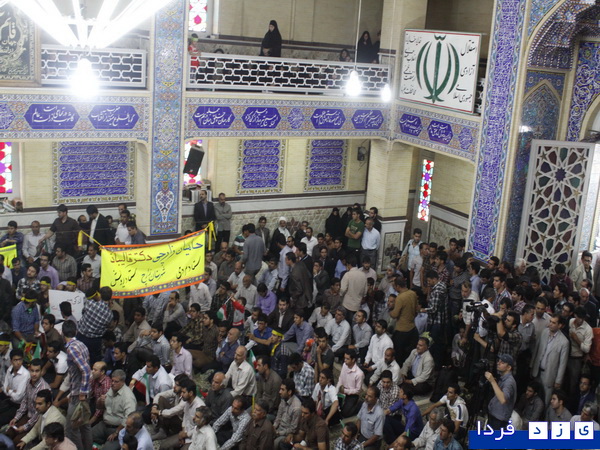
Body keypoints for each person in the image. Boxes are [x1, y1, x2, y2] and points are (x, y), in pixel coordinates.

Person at [62, 320, 92, 450]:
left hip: (79, 393)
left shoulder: (71, 348)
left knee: (71, 428)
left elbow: (86, 370)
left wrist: (82, 393)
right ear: (76, 331)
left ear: (63, 333)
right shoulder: (81, 344)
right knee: (84, 425)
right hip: (85, 390)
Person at [91, 369, 137, 450]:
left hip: (118, 429)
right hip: (104, 424)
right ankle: (104, 441)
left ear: (123, 382)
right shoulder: (112, 389)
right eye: (112, 381)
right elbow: (99, 407)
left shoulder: (128, 397)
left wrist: (116, 432)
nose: (112, 383)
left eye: (116, 382)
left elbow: (128, 419)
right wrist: (100, 401)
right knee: (86, 437)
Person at [531, 314, 570, 405]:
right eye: (550, 321)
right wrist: (531, 366)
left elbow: (562, 364)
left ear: (560, 325)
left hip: (549, 375)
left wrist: (558, 381)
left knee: (546, 401)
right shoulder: (544, 332)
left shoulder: (564, 342)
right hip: (537, 371)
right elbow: (537, 349)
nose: (550, 324)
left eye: (553, 323)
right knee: (533, 397)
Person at [158, 378, 205, 450]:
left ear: (190, 393)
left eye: (183, 392)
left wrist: (186, 434)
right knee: (164, 446)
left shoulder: (200, 406)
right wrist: (182, 433)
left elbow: (200, 428)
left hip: (195, 438)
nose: (181, 395)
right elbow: (185, 419)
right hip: (185, 433)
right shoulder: (187, 402)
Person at [485, 353, 517, 429]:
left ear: (508, 367)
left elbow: (503, 399)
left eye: (502, 362)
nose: (498, 363)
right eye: (499, 361)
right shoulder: (503, 378)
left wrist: (493, 381)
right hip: (494, 415)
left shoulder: (509, 382)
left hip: (499, 420)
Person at [274, 379, 302, 448]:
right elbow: (278, 417)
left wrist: (278, 433)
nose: (279, 392)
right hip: (279, 429)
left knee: (274, 443)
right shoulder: (283, 399)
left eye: (282, 390)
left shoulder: (296, 408)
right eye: (280, 389)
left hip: (287, 434)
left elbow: (293, 429)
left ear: (289, 392)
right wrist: (273, 427)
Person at [337, 349, 364, 418]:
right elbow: (340, 378)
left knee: (345, 413)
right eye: (344, 358)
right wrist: (337, 390)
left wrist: (345, 391)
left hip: (352, 395)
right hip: (342, 390)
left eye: (347, 359)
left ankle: (359, 405)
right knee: (336, 407)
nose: (345, 360)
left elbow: (358, 390)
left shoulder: (359, 374)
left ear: (353, 360)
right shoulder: (344, 365)